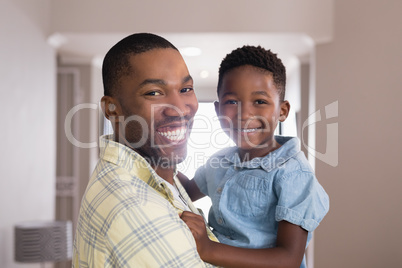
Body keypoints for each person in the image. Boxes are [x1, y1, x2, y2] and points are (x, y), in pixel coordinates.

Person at [72, 33, 218, 267]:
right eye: (154, 92)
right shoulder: (135, 207)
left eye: (186, 88)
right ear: (112, 108)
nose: (179, 108)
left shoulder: (156, 174)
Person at [179, 45, 329, 268]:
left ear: (282, 110)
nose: (244, 114)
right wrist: (160, 155)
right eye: (231, 102)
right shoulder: (220, 161)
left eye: (260, 101)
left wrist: (208, 249)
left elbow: (288, 259)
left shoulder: (294, 174)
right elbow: (184, 191)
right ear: (218, 110)